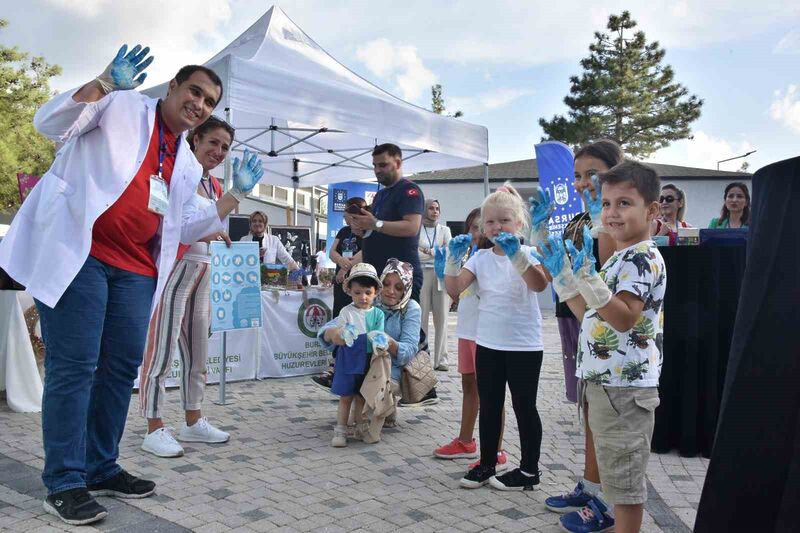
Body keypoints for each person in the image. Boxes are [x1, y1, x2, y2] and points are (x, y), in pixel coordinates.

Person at [0, 44, 264, 526]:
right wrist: (102, 82)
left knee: (121, 370)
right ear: (172, 88)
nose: (200, 105)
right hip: (82, 257)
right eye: (195, 92)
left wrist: (233, 197)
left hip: (137, 271)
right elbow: (50, 124)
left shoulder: (184, 160)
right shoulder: (120, 104)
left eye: (209, 101)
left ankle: (100, 466)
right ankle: (63, 481)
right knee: (74, 367)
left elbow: (184, 227)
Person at [538, 160, 666, 533]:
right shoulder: (620, 258)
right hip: (603, 383)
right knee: (614, 475)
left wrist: (591, 281)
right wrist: (565, 281)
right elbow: (591, 315)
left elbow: (624, 317)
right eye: (606, 203)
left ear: (652, 210)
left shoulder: (642, 257)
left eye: (624, 203)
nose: (611, 212)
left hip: (625, 390)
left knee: (625, 486)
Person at [138, 116, 235, 458]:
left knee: (198, 354)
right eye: (213, 143)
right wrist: (208, 231)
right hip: (176, 266)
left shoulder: (216, 186)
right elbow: (168, 223)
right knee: (161, 351)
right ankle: (153, 425)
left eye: (225, 147)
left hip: (204, 268)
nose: (219, 151)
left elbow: (215, 225)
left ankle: (193, 420)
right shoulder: (175, 174)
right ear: (195, 139)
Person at [443, 183, 549, 491]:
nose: (496, 226)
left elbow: (539, 285)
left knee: (524, 406)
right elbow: (454, 289)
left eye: (504, 220)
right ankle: (486, 464)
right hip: (487, 344)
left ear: (518, 224)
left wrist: (518, 256)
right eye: (489, 221)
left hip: (524, 345)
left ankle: (530, 470)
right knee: (489, 405)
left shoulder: (528, 252)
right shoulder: (480, 258)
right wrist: (451, 263)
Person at [541, 140, 621, 525]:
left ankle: (608, 499)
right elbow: (556, 268)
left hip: (608, 324)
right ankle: (591, 484)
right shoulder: (578, 219)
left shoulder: (618, 218)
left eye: (593, 174)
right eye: (577, 175)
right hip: (574, 315)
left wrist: (601, 221)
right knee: (587, 407)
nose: (583, 182)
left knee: (606, 414)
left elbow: (606, 267)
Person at [433, 208, 508, 471]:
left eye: (482, 227)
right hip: (467, 331)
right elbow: (456, 292)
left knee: (492, 394)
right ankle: (465, 441)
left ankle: (496, 450)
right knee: (469, 387)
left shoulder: (494, 257)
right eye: (473, 228)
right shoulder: (469, 256)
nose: (477, 233)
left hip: (487, 335)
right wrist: (447, 269)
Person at [318, 259, 424, 438]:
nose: (390, 291)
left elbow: (408, 351)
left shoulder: (411, 308)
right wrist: (333, 334)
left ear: (406, 289)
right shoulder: (368, 298)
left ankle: (385, 406)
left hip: (390, 366)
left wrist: (388, 342)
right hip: (362, 361)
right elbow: (327, 329)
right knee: (355, 387)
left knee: (369, 386)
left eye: (398, 287)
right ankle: (366, 415)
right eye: (387, 284)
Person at [349, 143, 425, 302]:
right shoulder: (380, 195)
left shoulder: (409, 190)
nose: (377, 170)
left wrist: (375, 224)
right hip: (378, 276)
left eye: (383, 165)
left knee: (403, 326)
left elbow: (412, 227)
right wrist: (363, 228)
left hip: (399, 279)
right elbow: (378, 227)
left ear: (397, 164)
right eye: (375, 165)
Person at [321, 263, 385, 447]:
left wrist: (380, 342)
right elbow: (340, 331)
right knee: (346, 396)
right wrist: (342, 334)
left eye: (368, 292)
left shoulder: (378, 314)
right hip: (348, 359)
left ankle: (360, 427)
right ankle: (340, 429)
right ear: (349, 291)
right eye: (357, 292)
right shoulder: (346, 311)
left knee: (362, 396)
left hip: (367, 360)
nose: (363, 297)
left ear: (375, 292)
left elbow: (379, 335)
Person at [310, 197, 367, 392]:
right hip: (341, 283)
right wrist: (341, 262)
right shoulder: (344, 232)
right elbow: (332, 251)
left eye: (349, 216)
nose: (347, 220)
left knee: (357, 321)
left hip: (358, 283)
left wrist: (346, 267)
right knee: (339, 319)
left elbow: (365, 252)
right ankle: (334, 365)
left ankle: (344, 368)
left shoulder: (367, 233)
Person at [417, 199, 452, 371]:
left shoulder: (445, 230)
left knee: (442, 319)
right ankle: (422, 357)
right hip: (422, 275)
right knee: (420, 317)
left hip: (441, 275)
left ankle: (441, 360)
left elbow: (448, 252)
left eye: (437, 208)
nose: (434, 211)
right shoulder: (416, 229)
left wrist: (428, 251)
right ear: (424, 210)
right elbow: (415, 255)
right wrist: (437, 252)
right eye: (431, 208)